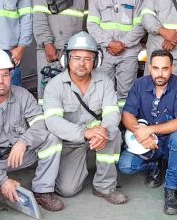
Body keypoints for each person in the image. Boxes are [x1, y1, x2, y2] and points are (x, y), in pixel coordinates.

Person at [0, 48, 64, 212]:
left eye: (4, 74)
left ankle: (42, 190)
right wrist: (2, 180)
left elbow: (41, 124)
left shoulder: (23, 95)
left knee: (52, 138)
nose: (0, 80)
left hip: (20, 155)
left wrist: (23, 142)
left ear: (11, 75)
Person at [42, 32, 127, 204]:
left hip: (98, 138)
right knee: (67, 190)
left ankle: (104, 186)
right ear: (67, 59)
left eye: (88, 58)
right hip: (71, 143)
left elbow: (112, 113)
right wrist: (85, 132)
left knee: (114, 132)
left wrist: (103, 130)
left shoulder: (105, 82)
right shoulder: (54, 85)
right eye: (76, 57)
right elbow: (53, 122)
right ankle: (85, 165)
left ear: (96, 61)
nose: (82, 63)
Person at [118, 50, 177, 215]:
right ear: (149, 67)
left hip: (169, 142)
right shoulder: (140, 84)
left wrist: (149, 130)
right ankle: (157, 165)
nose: (160, 73)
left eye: (165, 68)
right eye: (156, 68)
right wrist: (139, 132)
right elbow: (127, 114)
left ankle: (171, 190)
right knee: (125, 165)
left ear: (172, 68)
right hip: (147, 143)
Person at [32, 0, 89, 99]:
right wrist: (47, 43)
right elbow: (39, 15)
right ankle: (46, 123)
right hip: (53, 49)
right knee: (49, 92)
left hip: (74, 49)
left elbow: (85, 15)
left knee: (72, 93)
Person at [86, 0, 143, 105]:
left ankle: (124, 124)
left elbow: (140, 26)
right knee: (104, 90)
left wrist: (122, 44)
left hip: (128, 53)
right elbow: (91, 25)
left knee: (127, 92)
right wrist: (109, 43)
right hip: (105, 52)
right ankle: (108, 123)